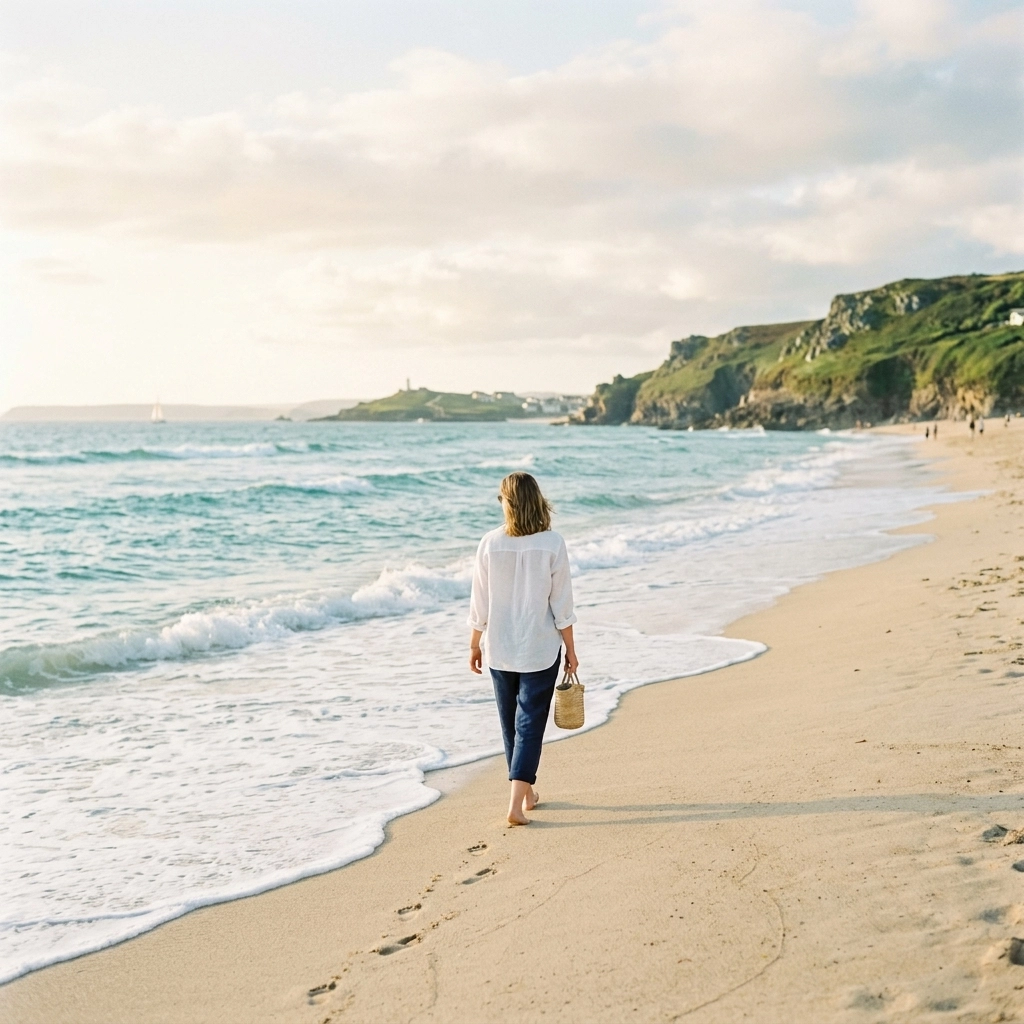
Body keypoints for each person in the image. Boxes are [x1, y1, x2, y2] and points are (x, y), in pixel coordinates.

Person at [468, 472, 579, 825]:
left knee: (510, 726)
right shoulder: (552, 543)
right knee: (529, 723)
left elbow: (479, 601)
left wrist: (474, 642)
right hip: (540, 647)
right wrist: (571, 650)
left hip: (499, 646)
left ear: (508, 503)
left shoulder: (490, 542)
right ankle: (518, 803)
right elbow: (562, 604)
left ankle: (526, 793)